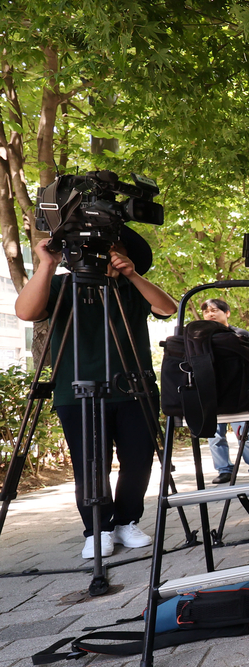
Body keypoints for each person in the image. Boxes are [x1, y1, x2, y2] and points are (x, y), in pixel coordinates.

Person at [14, 229, 178, 559]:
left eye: (112, 247)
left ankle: (126, 521)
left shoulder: (130, 288)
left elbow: (167, 308)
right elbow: (26, 312)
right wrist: (47, 264)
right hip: (77, 392)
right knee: (90, 466)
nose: (102, 254)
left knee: (138, 461)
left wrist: (132, 274)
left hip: (133, 388)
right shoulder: (62, 285)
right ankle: (97, 529)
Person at [198, 298, 249, 484]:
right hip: (211, 392)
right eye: (206, 311)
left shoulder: (240, 335)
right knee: (214, 435)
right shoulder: (199, 338)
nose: (210, 314)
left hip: (237, 392)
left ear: (227, 313)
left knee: (244, 432)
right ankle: (224, 470)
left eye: (214, 310)